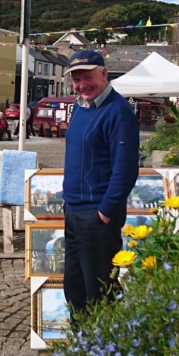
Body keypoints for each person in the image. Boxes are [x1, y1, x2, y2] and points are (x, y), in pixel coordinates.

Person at [61, 49, 139, 316]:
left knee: (100, 291)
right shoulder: (79, 107)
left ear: (104, 74)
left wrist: (105, 212)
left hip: (97, 215)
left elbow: (126, 169)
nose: (82, 85)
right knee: (74, 288)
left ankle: (105, 350)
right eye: (76, 80)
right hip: (73, 211)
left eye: (87, 77)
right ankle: (82, 348)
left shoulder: (118, 112)